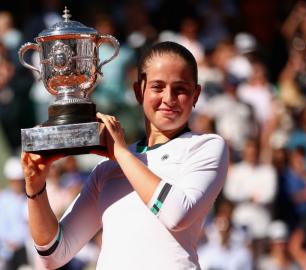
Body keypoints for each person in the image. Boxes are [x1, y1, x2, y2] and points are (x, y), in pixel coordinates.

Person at [21, 41, 229, 269]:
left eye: (180, 89)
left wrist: (120, 152)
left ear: (196, 94)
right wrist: (35, 188)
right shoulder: (107, 168)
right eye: (157, 87)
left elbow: (176, 214)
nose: (169, 98)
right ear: (138, 92)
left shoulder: (206, 146)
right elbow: (54, 254)